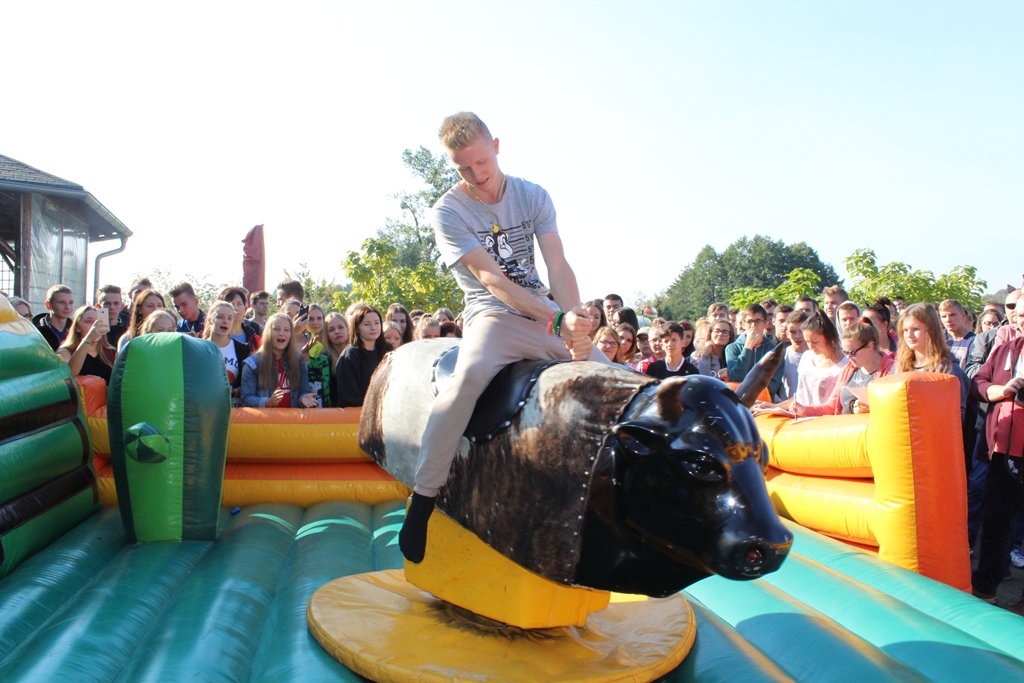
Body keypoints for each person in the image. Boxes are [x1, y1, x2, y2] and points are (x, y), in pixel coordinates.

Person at [398, 112, 605, 564]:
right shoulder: (447, 211)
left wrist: (573, 318)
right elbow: (490, 279)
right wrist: (557, 320)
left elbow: (557, 264)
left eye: (481, 162)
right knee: (467, 378)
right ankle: (424, 497)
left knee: (614, 377)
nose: (477, 175)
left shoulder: (533, 195)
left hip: (544, 310)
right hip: (492, 313)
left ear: (496, 145)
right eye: (464, 168)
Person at [968, 321, 1024, 606]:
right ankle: (985, 592)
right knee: (995, 524)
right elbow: (977, 383)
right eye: (1020, 313)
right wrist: (1001, 390)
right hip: (1003, 451)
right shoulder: (1006, 349)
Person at [794, 322, 894, 416]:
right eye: (845, 352)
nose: (848, 357)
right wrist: (804, 410)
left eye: (853, 352)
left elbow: (893, 408)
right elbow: (831, 406)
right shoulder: (849, 369)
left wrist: (869, 409)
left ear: (870, 346)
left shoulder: (891, 370)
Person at [895, 303, 968, 420]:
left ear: (931, 330)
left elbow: (957, 418)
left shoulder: (950, 371)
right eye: (905, 330)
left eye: (915, 329)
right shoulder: (899, 368)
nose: (909, 335)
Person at [240, 312, 317, 408]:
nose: (281, 333)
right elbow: (246, 399)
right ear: (268, 332)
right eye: (276, 329)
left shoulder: (299, 361)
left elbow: (303, 391)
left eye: (286, 330)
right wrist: (268, 402)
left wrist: (303, 398)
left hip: (293, 417)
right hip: (267, 417)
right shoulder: (252, 364)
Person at [789, 310, 849, 407]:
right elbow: (800, 396)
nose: (810, 347)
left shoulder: (846, 363)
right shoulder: (806, 356)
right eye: (807, 341)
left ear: (828, 337)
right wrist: (775, 406)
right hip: (802, 414)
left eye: (815, 342)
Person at [335, 304, 389, 408]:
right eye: (367, 324)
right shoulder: (350, 355)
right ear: (357, 328)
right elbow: (350, 397)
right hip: (358, 413)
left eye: (377, 323)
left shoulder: (388, 350)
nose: (373, 328)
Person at [726, 303, 784, 396]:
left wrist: (746, 383)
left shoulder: (774, 350)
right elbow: (736, 377)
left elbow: (773, 386)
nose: (753, 326)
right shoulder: (732, 348)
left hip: (765, 401)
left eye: (758, 321)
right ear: (743, 324)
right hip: (739, 400)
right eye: (749, 322)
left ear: (766, 324)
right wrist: (748, 346)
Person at [203, 300, 251, 405]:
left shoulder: (243, 349)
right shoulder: (198, 347)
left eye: (229, 318)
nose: (225, 321)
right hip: (206, 407)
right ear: (210, 320)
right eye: (220, 317)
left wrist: (234, 392)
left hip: (234, 409)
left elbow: (249, 383)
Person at [57, 305, 113, 383]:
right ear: (77, 328)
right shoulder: (65, 351)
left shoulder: (109, 351)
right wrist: (88, 338)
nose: (94, 326)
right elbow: (70, 374)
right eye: (89, 321)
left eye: (98, 321)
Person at [777, 311, 810, 402]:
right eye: (793, 332)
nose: (797, 336)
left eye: (801, 331)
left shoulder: (819, 356)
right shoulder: (781, 356)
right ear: (787, 333)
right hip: (785, 407)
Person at [32, 284, 75, 350]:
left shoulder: (76, 331)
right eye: (61, 302)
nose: (67, 307)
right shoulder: (36, 333)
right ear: (48, 305)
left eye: (70, 302)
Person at [220, 286, 262, 352]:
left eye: (239, 304)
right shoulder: (216, 337)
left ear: (245, 307)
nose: (235, 308)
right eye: (231, 304)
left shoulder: (254, 339)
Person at [940, 299, 975, 370]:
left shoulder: (974, 341)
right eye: (944, 316)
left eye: (952, 315)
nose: (948, 320)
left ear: (963, 315)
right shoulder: (943, 342)